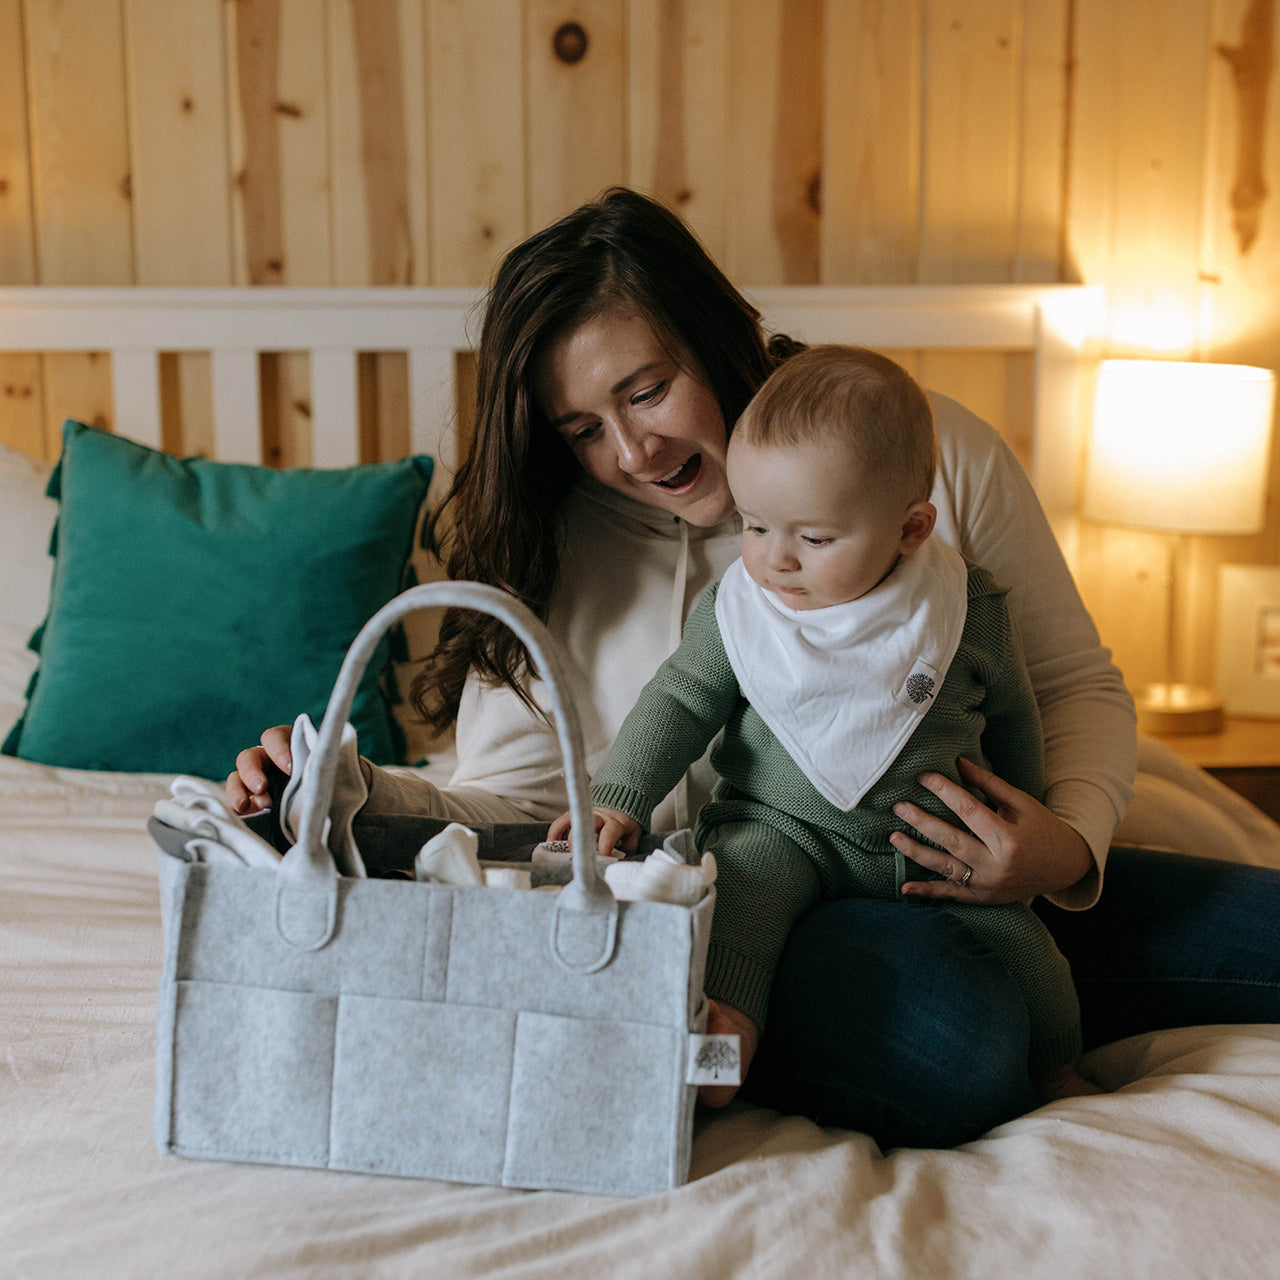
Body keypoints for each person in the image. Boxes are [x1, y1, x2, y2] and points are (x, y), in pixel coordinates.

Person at [228, 187, 1280, 1149]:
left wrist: (1063, 846)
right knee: (953, 1044)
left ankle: (1028, 997)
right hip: (758, 891)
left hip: (992, 881)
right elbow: (527, 809)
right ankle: (780, 1014)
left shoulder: (920, 452)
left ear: (715, 332)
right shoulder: (552, 544)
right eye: (583, 428)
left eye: (648, 391)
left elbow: (1069, 683)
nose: (632, 452)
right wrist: (357, 796)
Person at [550, 345, 1101, 1103]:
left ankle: (1060, 1069)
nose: (775, 560)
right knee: (738, 908)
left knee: (1036, 960)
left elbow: (1014, 716)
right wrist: (620, 796)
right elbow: (677, 700)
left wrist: (1027, 824)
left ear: (911, 529)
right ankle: (724, 1048)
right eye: (754, 526)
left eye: (812, 539)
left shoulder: (965, 608)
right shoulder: (740, 613)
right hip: (783, 829)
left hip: (941, 851)